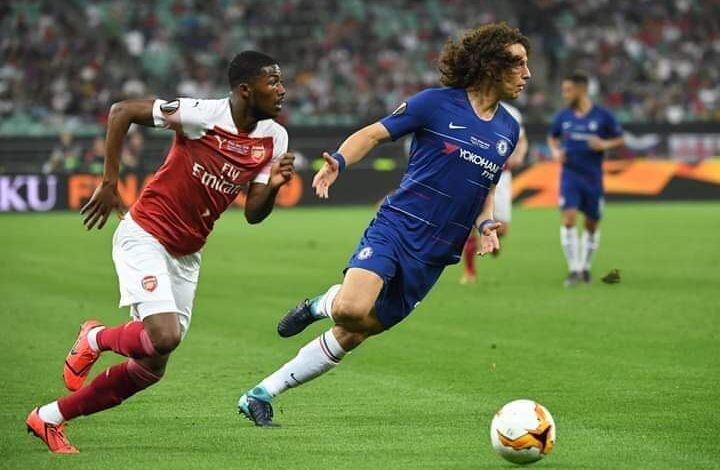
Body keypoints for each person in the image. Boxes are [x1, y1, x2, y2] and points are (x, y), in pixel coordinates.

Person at [237, 23, 531, 426]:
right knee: (350, 308)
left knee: (356, 331)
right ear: (491, 66)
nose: (527, 74)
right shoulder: (435, 104)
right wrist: (340, 161)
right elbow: (374, 135)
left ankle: (260, 394)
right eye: (518, 64)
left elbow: (487, 185)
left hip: (436, 252)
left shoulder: (508, 129)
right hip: (398, 226)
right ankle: (320, 304)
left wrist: (485, 225)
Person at [26, 51, 295, 453]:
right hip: (146, 234)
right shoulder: (201, 115)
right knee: (164, 335)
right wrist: (109, 182)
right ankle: (95, 338)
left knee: (152, 366)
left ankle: (49, 418)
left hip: (187, 254)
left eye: (280, 81)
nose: (282, 90)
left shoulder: (274, 137)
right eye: (272, 82)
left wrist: (272, 187)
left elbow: (254, 214)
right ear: (245, 89)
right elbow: (121, 112)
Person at [547, 72, 624, 287]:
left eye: (568, 90)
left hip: (593, 178)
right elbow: (552, 137)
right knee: (569, 219)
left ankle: (585, 267)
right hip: (570, 176)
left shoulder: (602, 116)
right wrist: (555, 151)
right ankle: (573, 269)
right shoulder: (563, 117)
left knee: (591, 224)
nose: (565, 94)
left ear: (582, 90)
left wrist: (605, 144)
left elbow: (620, 139)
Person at [460, 102, 527, 284]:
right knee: (471, 223)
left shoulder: (512, 113)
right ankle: (470, 271)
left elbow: (522, 140)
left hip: (502, 176)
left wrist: (519, 156)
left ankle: (493, 236)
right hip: (474, 172)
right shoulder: (471, 106)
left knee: (502, 228)